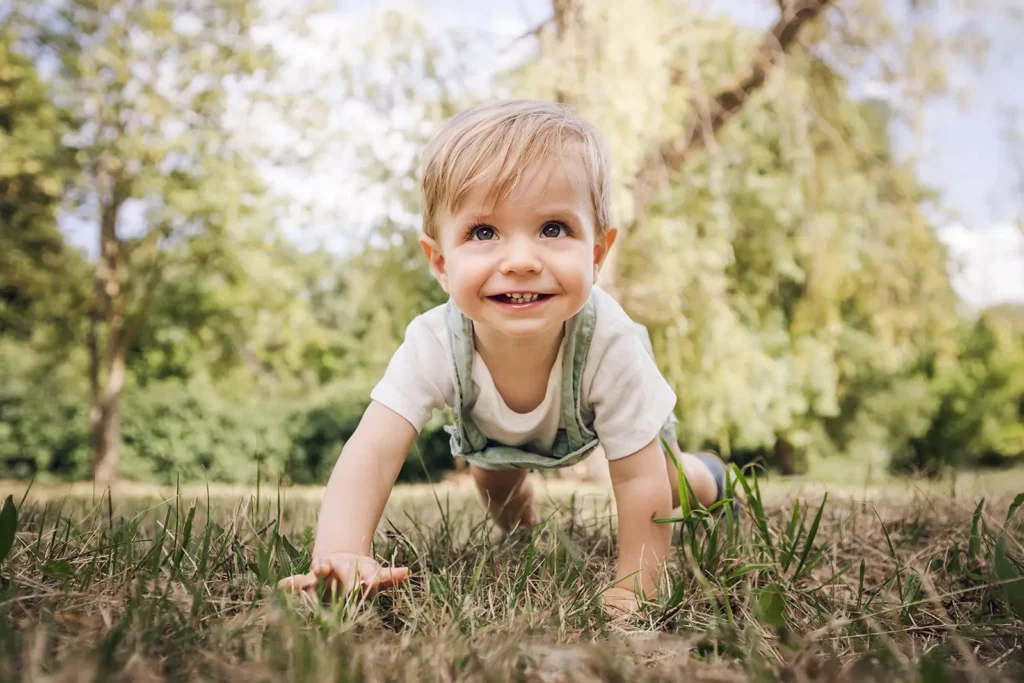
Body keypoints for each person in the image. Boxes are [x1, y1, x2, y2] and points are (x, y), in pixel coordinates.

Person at [278, 99, 732, 614]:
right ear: (441, 263)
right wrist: (342, 553)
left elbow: (635, 479)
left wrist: (635, 587)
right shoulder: (433, 342)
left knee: (669, 483)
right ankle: (524, 534)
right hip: (496, 440)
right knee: (491, 472)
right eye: (484, 232)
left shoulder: (611, 341)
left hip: (624, 443)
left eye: (553, 228)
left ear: (597, 254)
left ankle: (711, 477)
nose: (520, 262)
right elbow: (373, 453)